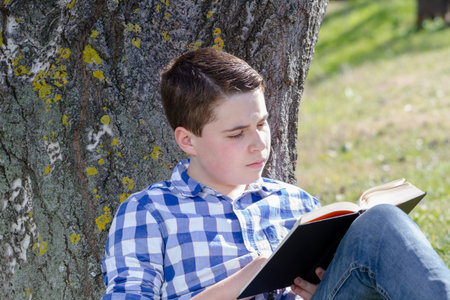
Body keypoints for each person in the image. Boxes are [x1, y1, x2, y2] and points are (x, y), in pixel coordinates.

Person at [101, 48, 450, 300]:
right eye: (237, 134)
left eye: (262, 123)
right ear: (187, 140)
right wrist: (244, 279)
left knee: (379, 222)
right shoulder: (148, 213)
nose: (259, 143)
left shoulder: (293, 201)